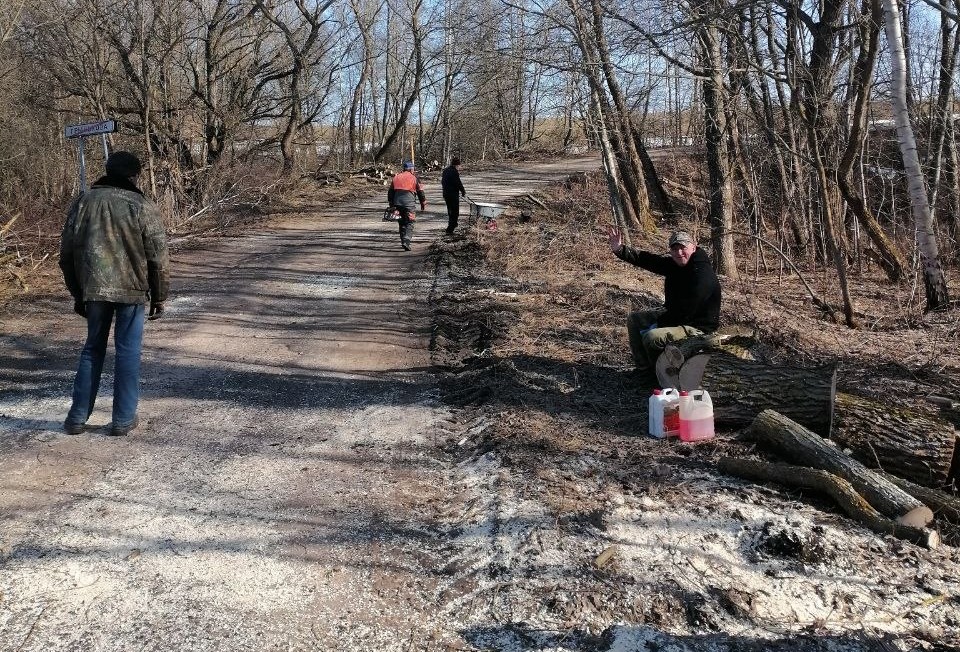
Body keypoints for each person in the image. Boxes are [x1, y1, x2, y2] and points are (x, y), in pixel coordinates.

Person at [59, 151, 170, 436]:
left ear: (108, 171)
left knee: (91, 349)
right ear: (134, 176)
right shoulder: (142, 205)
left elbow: (66, 255)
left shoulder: (83, 202)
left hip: (94, 290)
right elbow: (157, 256)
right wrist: (159, 296)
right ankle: (122, 420)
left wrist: (78, 293)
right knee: (127, 352)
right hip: (131, 292)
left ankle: (76, 418)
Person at [607, 226, 721, 379]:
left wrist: (659, 324)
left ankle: (660, 377)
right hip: (678, 317)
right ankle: (644, 370)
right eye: (674, 249)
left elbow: (686, 310)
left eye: (683, 248)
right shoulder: (676, 265)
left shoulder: (702, 274)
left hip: (697, 327)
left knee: (652, 337)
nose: (679, 253)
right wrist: (620, 250)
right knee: (635, 320)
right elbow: (649, 260)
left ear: (693, 247)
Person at [387, 161, 426, 251]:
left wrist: (391, 203)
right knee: (410, 222)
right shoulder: (414, 178)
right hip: (409, 205)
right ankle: (406, 241)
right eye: (413, 169)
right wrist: (423, 203)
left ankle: (403, 241)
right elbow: (420, 192)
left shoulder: (396, 177)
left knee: (401, 223)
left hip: (397, 204)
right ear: (411, 169)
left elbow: (390, 192)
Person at [441, 156, 466, 235]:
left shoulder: (445, 171)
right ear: (457, 165)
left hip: (446, 194)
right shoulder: (454, 172)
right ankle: (450, 228)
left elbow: (443, 182)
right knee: (455, 211)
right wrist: (463, 191)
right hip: (453, 194)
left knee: (450, 210)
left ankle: (453, 224)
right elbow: (458, 182)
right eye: (459, 166)